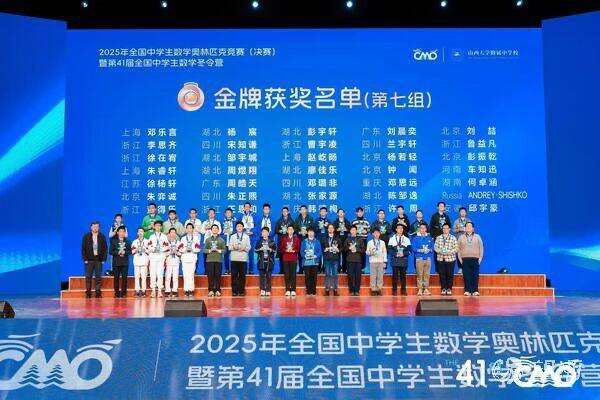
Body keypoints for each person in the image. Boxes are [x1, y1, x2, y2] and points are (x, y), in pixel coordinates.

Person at [81, 221, 108, 298]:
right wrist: (85, 259)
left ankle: (98, 293)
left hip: (98, 259)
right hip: (89, 260)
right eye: (94, 226)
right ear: (91, 227)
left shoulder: (101, 236)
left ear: (99, 228)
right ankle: (88, 293)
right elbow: (83, 248)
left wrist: (104, 259)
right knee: (88, 277)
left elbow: (105, 248)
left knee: (98, 277)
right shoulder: (86, 236)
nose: (95, 228)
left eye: (97, 227)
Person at [458, 222, 484, 296]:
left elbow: (481, 248)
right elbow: (458, 249)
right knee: (466, 275)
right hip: (465, 259)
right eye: (467, 226)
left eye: (470, 226)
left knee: (475, 275)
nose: (468, 228)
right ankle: (467, 290)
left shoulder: (477, 236)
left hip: (475, 259)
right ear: (465, 228)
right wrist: (460, 260)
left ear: (473, 228)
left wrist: (480, 259)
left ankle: (475, 290)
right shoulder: (461, 237)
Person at [434, 223, 458, 295]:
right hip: (441, 259)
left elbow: (456, 248)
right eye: (444, 228)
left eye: (446, 228)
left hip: (450, 259)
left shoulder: (453, 238)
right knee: (442, 274)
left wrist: (449, 252)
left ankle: (449, 288)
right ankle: (443, 288)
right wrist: (440, 251)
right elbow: (435, 247)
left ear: (449, 229)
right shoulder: (438, 238)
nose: (445, 230)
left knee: (450, 274)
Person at [387, 224, 412, 296]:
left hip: (403, 260)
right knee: (395, 276)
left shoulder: (407, 239)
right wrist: (396, 254)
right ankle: (394, 290)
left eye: (402, 228)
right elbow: (389, 250)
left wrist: (403, 254)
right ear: (396, 229)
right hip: (395, 259)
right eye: (399, 228)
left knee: (403, 276)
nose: (400, 230)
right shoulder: (392, 239)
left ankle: (403, 290)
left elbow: (410, 250)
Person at [228, 221, 251, 296]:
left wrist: (243, 248)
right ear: (236, 228)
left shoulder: (246, 237)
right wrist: (234, 247)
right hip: (234, 258)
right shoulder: (232, 236)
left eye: (241, 226)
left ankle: (241, 291)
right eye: (238, 226)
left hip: (243, 259)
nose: (239, 228)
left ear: (243, 228)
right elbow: (229, 247)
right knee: (234, 275)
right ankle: (234, 291)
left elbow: (249, 247)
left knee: (242, 275)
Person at [203, 224, 226, 297]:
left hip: (218, 260)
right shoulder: (208, 239)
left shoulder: (221, 240)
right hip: (209, 260)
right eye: (213, 228)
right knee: (210, 275)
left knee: (218, 275)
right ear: (211, 230)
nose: (215, 229)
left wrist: (218, 250)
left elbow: (224, 250)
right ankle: (210, 290)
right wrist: (210, 250)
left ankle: (218, 290)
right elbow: (204, 250)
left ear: (218, 230)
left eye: (216, 228)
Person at [147, 220, 169, 298]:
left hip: (161, 257)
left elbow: (167, 246)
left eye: (159, 226)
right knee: (153, 273)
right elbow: (149, 246)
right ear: (154, 227)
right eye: (156, 226)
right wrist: (154, 249)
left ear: (161, 227)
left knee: (160, 273)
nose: (158, 227)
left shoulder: (164, 236)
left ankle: (159, 291)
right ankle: (153, 291)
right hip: (153, 257)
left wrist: (160, 249)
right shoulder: (151, 236)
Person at [412, 222, 434, 296]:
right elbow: (413, 248)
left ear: (426, 229)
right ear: (419, 229)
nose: (423, 229)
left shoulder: (429, 238)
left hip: (428, 258)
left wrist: (429, 250)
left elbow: (432, 247)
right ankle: (420, 289)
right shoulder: (416, 238)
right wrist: (420, 250)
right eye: (421, 228)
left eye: (424, 228)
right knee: (419, 274)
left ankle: (426, 289)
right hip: (419, 258)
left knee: (427, 274)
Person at [180, 223, 201, 297]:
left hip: (192, 257)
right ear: (186, 229)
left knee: (191, 274)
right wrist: (185, 249)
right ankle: (186, 289)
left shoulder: (196, 238)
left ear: (193, 229)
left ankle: (191, 290)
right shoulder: (183, 238)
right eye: (188, 228)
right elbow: (180, 248)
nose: (189, 229)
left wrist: (192, 249)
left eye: (190, 228)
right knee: (185, 274)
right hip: (185, 257)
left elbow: (198, 248)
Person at [429, 201, 451, 272]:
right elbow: (431, 227)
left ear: (444, 208)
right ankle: (437, 269)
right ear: (437, 207)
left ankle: (446, 268)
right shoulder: (434, 216)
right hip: (437, 237)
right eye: (440, 206)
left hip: (446, 238)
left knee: (446, 251)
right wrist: (432, 236)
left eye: (443, 206)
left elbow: (449, 226)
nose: (442, 207)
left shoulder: (446, 216)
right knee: (437, 252)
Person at [109, 226, 131, 298]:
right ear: (117, 232)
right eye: (120, 231)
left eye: (123, 232)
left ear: (125, 233)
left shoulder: (128, 241)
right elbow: (110, 251)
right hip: (116, 262)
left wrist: (125, 252)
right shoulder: (113, 241)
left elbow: (130, 252)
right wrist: (118, 252)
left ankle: (124, 293)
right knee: (116, 278)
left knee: (124, 278)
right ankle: (116, 293)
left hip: (125, 263)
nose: (122, 233)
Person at [279, 225, 300, 297]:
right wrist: (286, 250)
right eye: (289, 229)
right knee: (287, 274)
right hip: (286, 258)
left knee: (293, 275)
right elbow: (281, 249)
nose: (290, 231)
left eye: (291, 229)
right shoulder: (284, 238)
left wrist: (294, 250)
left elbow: (298, 249)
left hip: (293, 258)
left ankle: (293, 290)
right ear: (287, 231)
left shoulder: (296, 239)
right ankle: (287, 290)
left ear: (293, 231)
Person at [255, 227, 277, 296]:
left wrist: (270, 250)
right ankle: (262, 289)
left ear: (268, 233)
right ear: (261, 233)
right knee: (261, 276)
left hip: (269, 261)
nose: (264, 233)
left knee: (268, 276)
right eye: (263, 232)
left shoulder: (272, 241)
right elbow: (256, 250)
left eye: (266, 232)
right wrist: (260, 249)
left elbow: (275, 250)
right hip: (261, 261)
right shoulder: (259, 241)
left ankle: (268, 290)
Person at [321, 223, 341, 296]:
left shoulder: (337, 238)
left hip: (335, 259)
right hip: (327, 258)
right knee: (327, 274)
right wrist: (325, 249)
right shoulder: (324, 238)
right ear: (327, 229)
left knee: (335, 274)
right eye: (329, 228)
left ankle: (335, 290)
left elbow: (341, 247)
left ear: (334, 229)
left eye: (332, 228)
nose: (330, 229)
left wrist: (338, 249)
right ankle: (327, 289)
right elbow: (321, 247)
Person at [301, 228, 322, 296]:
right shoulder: (304, 241)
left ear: (314, 233)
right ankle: (308, 291)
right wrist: (305, 256)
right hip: (306, 262)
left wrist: (315, 256)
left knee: (314, 277)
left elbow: (320, 252)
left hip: (314, 262)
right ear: (307, 233)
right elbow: (301, 252)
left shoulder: (317, 241)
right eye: (309, 232)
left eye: (312, 232)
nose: (311, 233)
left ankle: (313, 291)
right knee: (307, 277)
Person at [366, 228, 387, 296]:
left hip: (380, 261)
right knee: (373, 276)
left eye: (378, 233)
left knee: (380, 276)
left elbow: (384, 252)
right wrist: (370, 252)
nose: (376, 234)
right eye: (375, 233)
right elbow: (367, 252)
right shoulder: (370, 242)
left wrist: (384, 261)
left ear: (380, 234)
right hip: (373, 261)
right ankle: (373, 289)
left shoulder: (382, 242)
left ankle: (379, 289)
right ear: (373, 234)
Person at [345, 225, 365, 296]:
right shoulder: (347, 239)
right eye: (352, 230)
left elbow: (363, 249)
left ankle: (357, 290)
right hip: (349, 260)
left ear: (356, 231)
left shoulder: (360, 239)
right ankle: (351, 290)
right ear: (350, 231)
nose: (353, 231)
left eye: (354, 230)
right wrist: (349, 248)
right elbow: (344, 249)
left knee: (358, 276)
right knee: (350, 276)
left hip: (358, 260)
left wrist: (356, 249)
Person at [131, 227, 150, 297]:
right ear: (137, 233)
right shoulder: (134, 241)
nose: (140, 233)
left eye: (142, 231)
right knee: (136, 277)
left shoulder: (147, 241)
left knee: (144, 277)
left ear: (144, 233)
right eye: (139, 231)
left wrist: (144, 249)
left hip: (144, 261)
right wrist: (136, 250)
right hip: (137, 261)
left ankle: (143, 291)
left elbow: (150, 251)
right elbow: (132, 251)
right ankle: (137, 290)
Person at [295, 205, 314, 274]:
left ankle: (307, 268)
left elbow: (312, 228)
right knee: (300, 254)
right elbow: (295, 229)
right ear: (300, 211)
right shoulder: (297, 219)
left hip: (308, 239)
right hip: (300, 239)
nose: (303, 211)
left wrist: (307, 232)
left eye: (304, 209)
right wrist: (299, 232)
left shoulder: (310, 218)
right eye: (301, 209)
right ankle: (300, 268)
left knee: (308, 253)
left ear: (306, 210)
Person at [275, 206, 294, 273]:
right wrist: (280, 231)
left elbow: (294, 230)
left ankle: (288, 271)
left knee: (288, 255)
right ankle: (281, 270)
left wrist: (288, 231)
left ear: (288, 212)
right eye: (283, 211)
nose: (284, 212)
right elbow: (276, 230)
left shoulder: (291, 221)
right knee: (281, 255)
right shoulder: (279, 220)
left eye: (286, 211)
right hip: (281, 240)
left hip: (289, 240)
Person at [453, 207, 472, 273]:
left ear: (466, 213)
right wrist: (459, 229)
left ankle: (467, 267)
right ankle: (460, 268)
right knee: (459, 254)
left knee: (467, 253)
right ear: (459, 213)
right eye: (461, 212)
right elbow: (453, 230)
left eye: (464, 212)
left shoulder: (469, 221)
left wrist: (466, 229)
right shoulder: (456, 221)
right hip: (459, 240)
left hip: (467, 240)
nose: (463, 213)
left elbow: (471, 229)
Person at [333, 209, 352, 273]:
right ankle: (337, 269)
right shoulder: (335, 222)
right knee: (337, 255)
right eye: (339, 212)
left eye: (342, 212)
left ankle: (344, 269)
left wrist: (346, 229)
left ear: (344, 213)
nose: (341, 213)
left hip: (345, 240)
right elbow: (332, 230)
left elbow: (350, 230)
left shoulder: (347, 221)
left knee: (345, 255)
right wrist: (336, 230)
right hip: (337, 240)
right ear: (337, 214)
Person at [164, 228, 181, 298]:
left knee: (175, 277)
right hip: (169, 261)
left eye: (174, 232)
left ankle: (175, 290)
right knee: (168, 276)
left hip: (176, 261)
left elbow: (181, 252)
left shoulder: (179, 243)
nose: (173, 234)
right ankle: (167, 290)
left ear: (176, 234)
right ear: (169, 234)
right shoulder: (166, 243)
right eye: (171, 232)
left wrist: (176, 252)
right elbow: (163, 252)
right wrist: (170, 252)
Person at [240, 202, 256, 274]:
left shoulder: (254, 216)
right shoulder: (241, 216)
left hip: (251, 237)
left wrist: (252, 231)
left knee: (251, 254)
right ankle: (243, 269)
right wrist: (243, 231)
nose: (247, 208)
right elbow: (238, 226)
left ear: (250, 208)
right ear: (243, 208)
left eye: (248, 207)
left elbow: (257, 225)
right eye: (245, 207)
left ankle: (251, 270)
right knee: (243, 253)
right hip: (243, 237)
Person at [315, 206, 330, 273]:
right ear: (320, 212)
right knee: (318, 254)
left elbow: (331, 230)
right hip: (318, 239)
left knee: (326, 254)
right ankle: (318, 268)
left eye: (324, 211)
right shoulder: (316, 220)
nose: (323, 212)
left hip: (326, 239)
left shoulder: (328, 221)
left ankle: (325, 268)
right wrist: (319, 227)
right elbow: (314, 230)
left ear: (326, 213)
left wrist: (327, 226)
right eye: (322, 211)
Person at [221, 207, 235, 274]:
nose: (228, 214)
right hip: (225, 241)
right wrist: (223, 233)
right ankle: (227, 269)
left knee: (233, 256)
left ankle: (233, 270)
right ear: (225, 214)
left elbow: (237, 230)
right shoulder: (222, 221)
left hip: (233, 241)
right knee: (226, 256)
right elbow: (219, 231)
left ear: (232, 214)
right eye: (227, 213)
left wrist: (232, 232)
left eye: (229, 213)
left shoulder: (235, 221)